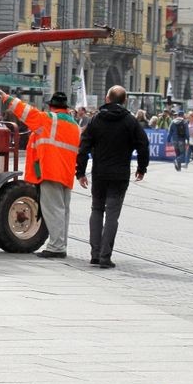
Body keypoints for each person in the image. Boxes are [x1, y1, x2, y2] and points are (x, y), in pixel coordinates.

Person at [0, 88, 81, 259]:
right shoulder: (74, 125)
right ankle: (61, 244)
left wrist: (7, 99)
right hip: (66, 173)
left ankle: (56, 247)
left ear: (51, 107)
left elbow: (26, 112)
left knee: (53, 210)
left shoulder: (48, 120)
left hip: (51, 170)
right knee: (63, 210)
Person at [76, 86, 148, 269]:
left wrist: (81, 172)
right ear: (124, 101)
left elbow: (83, 146)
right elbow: (143, 145)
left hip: (99, 173)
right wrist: (141, 168)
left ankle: (94, 254)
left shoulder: (95, 120)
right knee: (112, 215)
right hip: (120, 175)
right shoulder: (130, 121)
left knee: (96, 210)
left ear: (107, 99)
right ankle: (105, 256)